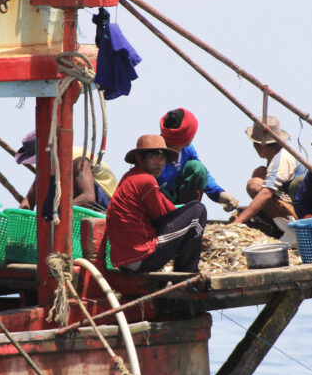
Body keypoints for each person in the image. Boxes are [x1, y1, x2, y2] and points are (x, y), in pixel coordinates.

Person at [106, 134, 207, 273]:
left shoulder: (129, 178)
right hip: (140, 256)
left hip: (126, 261)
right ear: (139, 158)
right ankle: (187, 273)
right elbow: (165, 217)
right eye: (153, 157)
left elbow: (170, 210)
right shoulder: (145, 180)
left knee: (192, 218)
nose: (159, 163)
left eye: (163, 158)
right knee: (198, 210)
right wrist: (192, 230)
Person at [230, 115, 307, 225]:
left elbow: (266, 193)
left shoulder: (283, 158)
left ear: (259, 146)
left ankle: (286, 226)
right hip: (287, 198)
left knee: (254, 184)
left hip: (300, 210)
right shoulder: (273, 158)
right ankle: (269, 218)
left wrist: (238, 221)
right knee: (260, 172)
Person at [158, 108, 238, 211]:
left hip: (179, 203)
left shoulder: (187, 150)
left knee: (197, 167)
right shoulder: (155, 155)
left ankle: (187, 212)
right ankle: (184, 212)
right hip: (159, 204)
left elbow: (201, 174)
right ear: (187, 136)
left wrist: (219, 193)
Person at [16, 131, 118, 212]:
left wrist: (58, 213)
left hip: (109, 206)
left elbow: (88, 197)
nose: (40, 162)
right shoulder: (46, 166)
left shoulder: (77, 159)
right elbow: (29, 200)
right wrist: (21, 216)